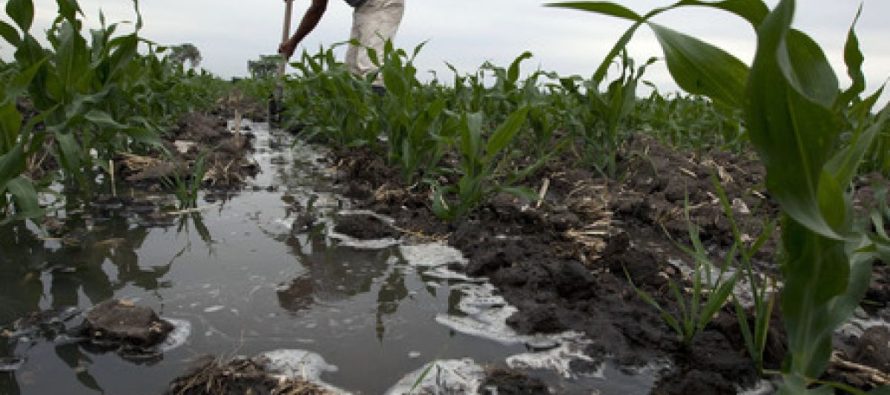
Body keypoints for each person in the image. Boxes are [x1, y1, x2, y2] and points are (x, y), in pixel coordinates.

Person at [278, 0, 405, 87]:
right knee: (353, 71)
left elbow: (317, 7)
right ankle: (356, 123)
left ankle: (375, 123)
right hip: (363, 6)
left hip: (382, 3)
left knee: (370, 68)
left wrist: (293, 42)